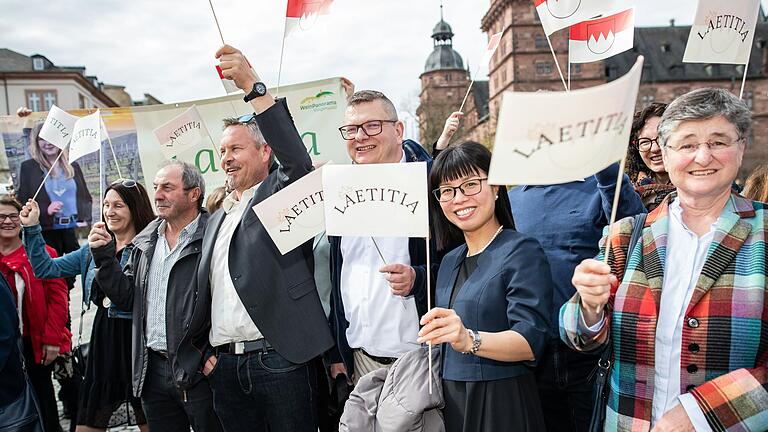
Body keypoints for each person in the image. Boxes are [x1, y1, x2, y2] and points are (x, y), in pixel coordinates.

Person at [562, 88, 768, 432]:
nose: (703, 157)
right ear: (666, 153)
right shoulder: (627, 234)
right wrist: (588, 308)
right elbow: (577, 337)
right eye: (687, 145)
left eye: (718, 142)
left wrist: (704, 413)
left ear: (742, 146)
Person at [197, 44, 333, 432]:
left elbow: (297, 161)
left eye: (236, 148)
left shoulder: (280, 193)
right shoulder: (217, 216)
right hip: (224, 368)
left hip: (280, 362)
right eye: (222, 151)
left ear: (264, 152)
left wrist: (253, 87)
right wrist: (204, 353)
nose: (226, 158)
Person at [418, 141, 551, 431]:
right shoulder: (449, 261)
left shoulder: (522, 250)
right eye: (447, 191)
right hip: (453, 403)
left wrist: (469, 339)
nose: (459, 199)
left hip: (502, 404)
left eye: (470, 184)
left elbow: (531, 342)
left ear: (495, 187)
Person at [89, 161, 221, 432]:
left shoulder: (214, 235)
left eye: (168, 188)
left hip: (198, 370)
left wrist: (210, 354)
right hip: (153, 371)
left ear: (193, 194)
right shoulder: (146, 240)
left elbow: (227, 298)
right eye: (156, 187)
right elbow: (126, 299)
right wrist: (103, 256)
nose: (158, 195)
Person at [20, 180, 155, 432]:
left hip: (137, 341)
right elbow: (45, 268)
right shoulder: (91, 249)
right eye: (105, 205)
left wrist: (104, 254)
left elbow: (129, 297)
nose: (109, 211)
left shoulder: (149, 247)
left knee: (148, 419)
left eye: (118, 205)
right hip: (104, 340)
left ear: (135, 208)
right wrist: (32, 228)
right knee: (87, 423)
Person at [328, 90, 433, 384]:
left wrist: (418, 278)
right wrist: (339, 352)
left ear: (398, 131)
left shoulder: (431, 185)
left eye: (372, 125)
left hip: (419, 360)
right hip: (360, 363)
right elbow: (339, 275)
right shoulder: (340, 191)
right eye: (351, 129)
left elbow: (463, 264)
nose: (360, 136)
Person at [0, 194, 69, 432]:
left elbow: (59, 300)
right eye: (1, 216)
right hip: (4, 348)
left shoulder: (42, 253)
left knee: (43, 398)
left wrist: (52, 341)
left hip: (35, 341)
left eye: (13, 216)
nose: (7, 221)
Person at [16, 121, 93, 255]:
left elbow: (85, 197)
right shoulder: (29, 167)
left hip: (75, 231)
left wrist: (85, 219)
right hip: (46, 231)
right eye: (42, 139)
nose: (48, 143)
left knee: (77, 270)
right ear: (36, 142)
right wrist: (45, 210)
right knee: (52, 272)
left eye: (52, 137)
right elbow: (22, 200)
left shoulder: (73, 165)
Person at [627, 102, 674, 211]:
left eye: (661, 139)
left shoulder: (697, 186)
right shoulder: (627, 193)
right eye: (645, 142)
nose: (654, 149)